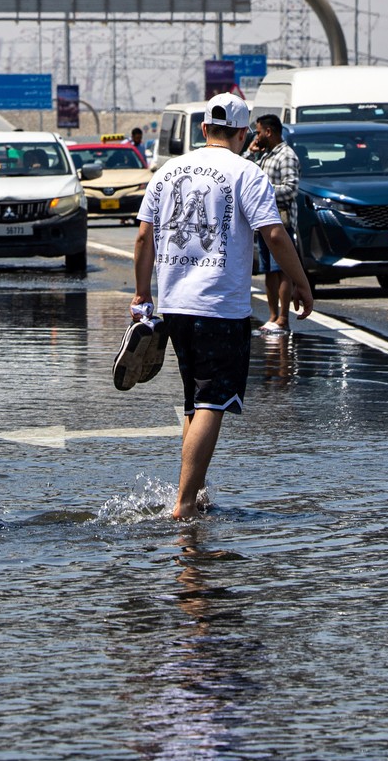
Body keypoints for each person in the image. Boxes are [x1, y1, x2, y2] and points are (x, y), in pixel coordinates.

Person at [133, 92, 314, 520]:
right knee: (214, 400)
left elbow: (143, 237)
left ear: (203, 129)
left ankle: (193, 492)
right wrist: (301, 281)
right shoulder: (246, 173)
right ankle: (183, 505)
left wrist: (143, 294)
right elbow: (273, 234)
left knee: (195, 403)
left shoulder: (168, 169)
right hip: (220, 305)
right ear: (243, 132)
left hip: (175, 304)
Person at [243, 114, 299, 333]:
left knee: (282, 270)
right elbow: (244, 171)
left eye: (258, 132)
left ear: (269, 131)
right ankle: (273, 317)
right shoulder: (265, 155)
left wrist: (264, 193)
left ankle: (283, 318)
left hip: (281, 223)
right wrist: (250, 151)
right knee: (268, 271)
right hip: (263, 223)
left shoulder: (286, 156)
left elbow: (291, 188)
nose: (256, 137)